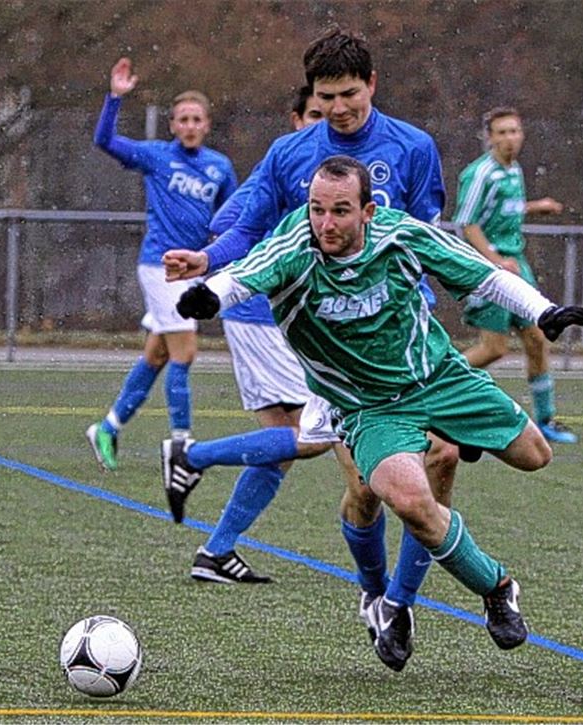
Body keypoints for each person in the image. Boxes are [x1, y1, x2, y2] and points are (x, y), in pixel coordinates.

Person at [175, 156, 583, 669]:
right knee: (407, 500)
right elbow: (242, 276)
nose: (326, 224)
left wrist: (543, 311)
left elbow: (483, 276)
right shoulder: (295, 246)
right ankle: (494, 587)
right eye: (317, 210)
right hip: (367, 406)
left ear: (369, 211)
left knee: (535, 456)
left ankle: (393, 595)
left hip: (439, 377)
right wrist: (208, 297)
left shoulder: (400, 234)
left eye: (340, 211)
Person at [159, 27, 459, 670]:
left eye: (350, 93)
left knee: (442, 460)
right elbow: (246, 225)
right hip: (333, 350)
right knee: (365, 487)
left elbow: (430, 241)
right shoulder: (291, 153)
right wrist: (208, 260)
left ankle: (398, 605)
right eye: (327, 97)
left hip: (409, 341)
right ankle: (373, 589)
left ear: (372, 84)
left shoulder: (413, 148)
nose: (340, 108)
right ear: (312, 96)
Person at [164, 84, 342, 585]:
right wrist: (283, 236)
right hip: (261, 313)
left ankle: (216, 551)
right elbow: (227, 221)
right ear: (295, 119)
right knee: (313, 440)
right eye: (314, 113)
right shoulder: (287, 165)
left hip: (290, 319)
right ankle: (191, 455)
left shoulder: (337, 177)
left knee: (282, 447)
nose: (324, 121)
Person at [85, 57, 237, 470]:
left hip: (191, 271)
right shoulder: (155, 157)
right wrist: (115, 99)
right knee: (185, 352)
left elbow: (231, 219)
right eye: (182, 119)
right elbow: (104, 140)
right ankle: (182, 445)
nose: (189, 125)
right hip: (160, 267)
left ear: (206, 125)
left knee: (157, 356)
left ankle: (108, 428)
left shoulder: (219, 167)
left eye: (196, 119)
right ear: (172, 125)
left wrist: (223, 257)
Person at [456, 107, 577, 444]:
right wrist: (493, 260)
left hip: (515, 263)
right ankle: (434, 390)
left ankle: (546, 419)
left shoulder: (514, 171)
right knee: (493, 348)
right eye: (502, 132)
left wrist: (537, 206)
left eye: (514, 131)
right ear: (490, 137)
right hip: (488, 267)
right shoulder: (479, 173)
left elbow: (505, 208)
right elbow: (468, 223)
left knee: (537, 339)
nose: (510, 138)